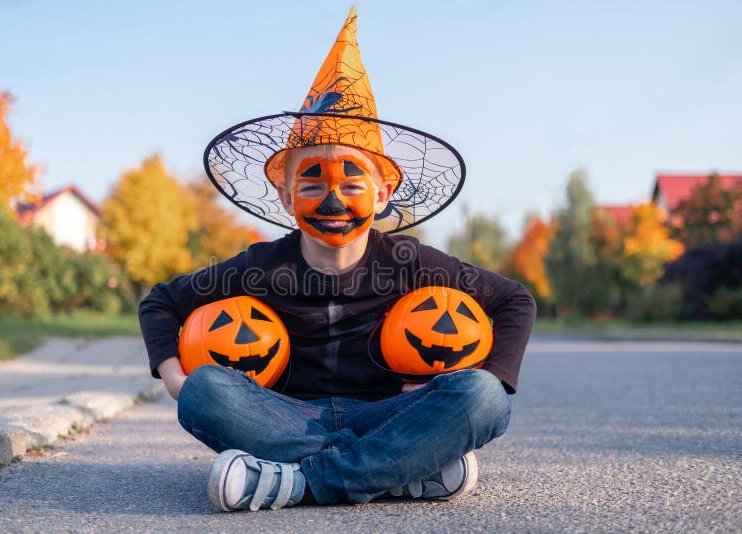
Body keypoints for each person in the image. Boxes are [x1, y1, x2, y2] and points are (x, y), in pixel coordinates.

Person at [139, 8, 535, 512]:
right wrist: (175, 379)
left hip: (392, 413)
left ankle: (297, 483)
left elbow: (514, 300)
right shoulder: (261, 266)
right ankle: (402, 472)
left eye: (351, 184)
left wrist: (474, 379)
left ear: (383, 193)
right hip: (284, 416)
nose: (333, 202)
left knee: (483, 397)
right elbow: (161, 302)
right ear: (284, 196)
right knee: (204, 392)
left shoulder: (412, 260)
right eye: (311, 184)